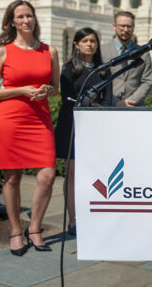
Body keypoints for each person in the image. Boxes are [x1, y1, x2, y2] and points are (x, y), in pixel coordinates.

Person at [0, 0, 59, 256]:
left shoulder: (50, 51)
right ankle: (16, 230)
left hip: (40, 120)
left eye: (30, 16)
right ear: (12, 22)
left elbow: (56, 88)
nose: (26, 20)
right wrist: (20, 90)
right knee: (12, 177)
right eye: (21, 17)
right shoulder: (1, 51)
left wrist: (48, 89)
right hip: (10, 120)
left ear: (34, 19)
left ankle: (35, 228)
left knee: (47, 176)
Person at [54, 27, 113, 236]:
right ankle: (73, 219)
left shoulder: (104, 69)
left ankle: (94, 214)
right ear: (76, 45)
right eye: (85, 41)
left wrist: (100, 109)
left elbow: (107, 98)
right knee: (72, 173)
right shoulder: (69, 69)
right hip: (72, 124)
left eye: (93, 41)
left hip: (96, 126)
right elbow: (67, 98)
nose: (90, 44)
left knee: (95, 173)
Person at [100, 10, 152, 107]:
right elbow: (98, 80)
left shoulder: (144, 53)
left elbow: (147, 81)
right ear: (114, 26)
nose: (126, 29)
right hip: (109, 106)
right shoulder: (102, 51)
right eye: (122, 26)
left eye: (129, 26)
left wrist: (131, 101)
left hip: (135, 106)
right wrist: (115, 102)